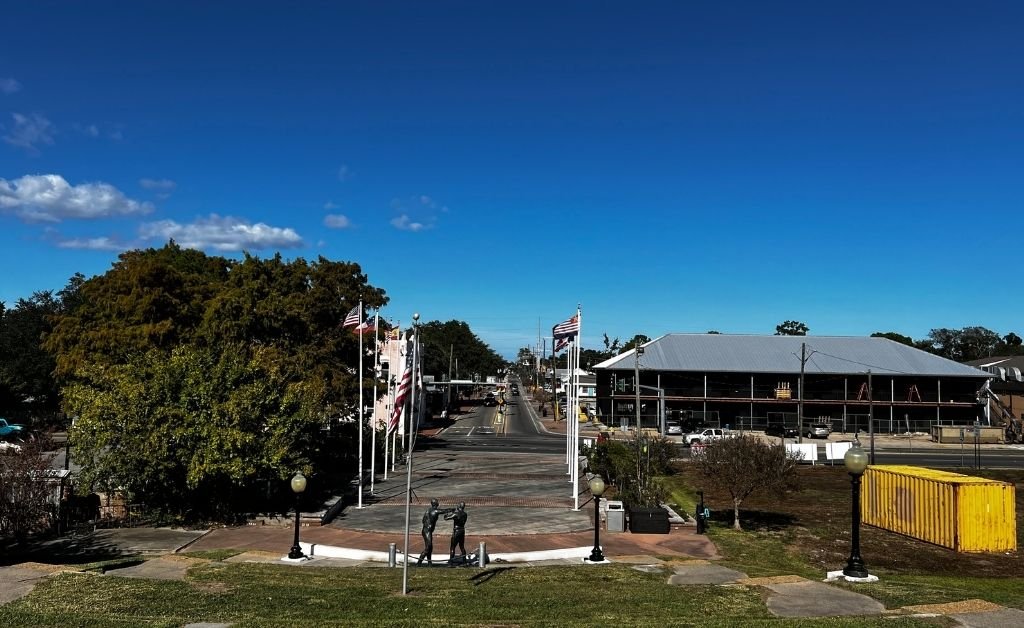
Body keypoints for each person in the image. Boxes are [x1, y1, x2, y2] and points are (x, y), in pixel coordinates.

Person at [417, 499, 453, 565]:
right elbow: (444, 511)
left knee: (430, 547)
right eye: (437, 502)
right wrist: (452, 509)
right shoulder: (435, 511)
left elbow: (423, 520)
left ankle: (429, 562)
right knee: (428, 547)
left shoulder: (428, 510)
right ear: (436, 504)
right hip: (427, 531)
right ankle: (419, 563)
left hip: (426, 530)